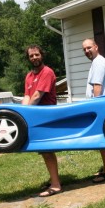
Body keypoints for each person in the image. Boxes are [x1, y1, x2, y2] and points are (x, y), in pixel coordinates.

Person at [21, 45, 61, 197]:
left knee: (47, 150)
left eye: (36, 55)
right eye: (31, 56)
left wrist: (26, 113)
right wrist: (22, 113)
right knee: (44, 151)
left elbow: (37, 96)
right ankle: (54, 179)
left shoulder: (47, 72)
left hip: (46, 116)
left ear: (42, 55)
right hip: (34, 116)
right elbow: (27, 96)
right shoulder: (29, 76)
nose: (34, 58)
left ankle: (56, 185)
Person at [82, 38, 105, 183]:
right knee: (103, 138)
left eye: (89, 47)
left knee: (102, 139)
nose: (87, 51)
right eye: (84, 49)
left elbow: (97, 85)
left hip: (101, 106)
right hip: (102, 105)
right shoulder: (97, 62)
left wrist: (95, 107)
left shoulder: (98, 62)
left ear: (96, 47)